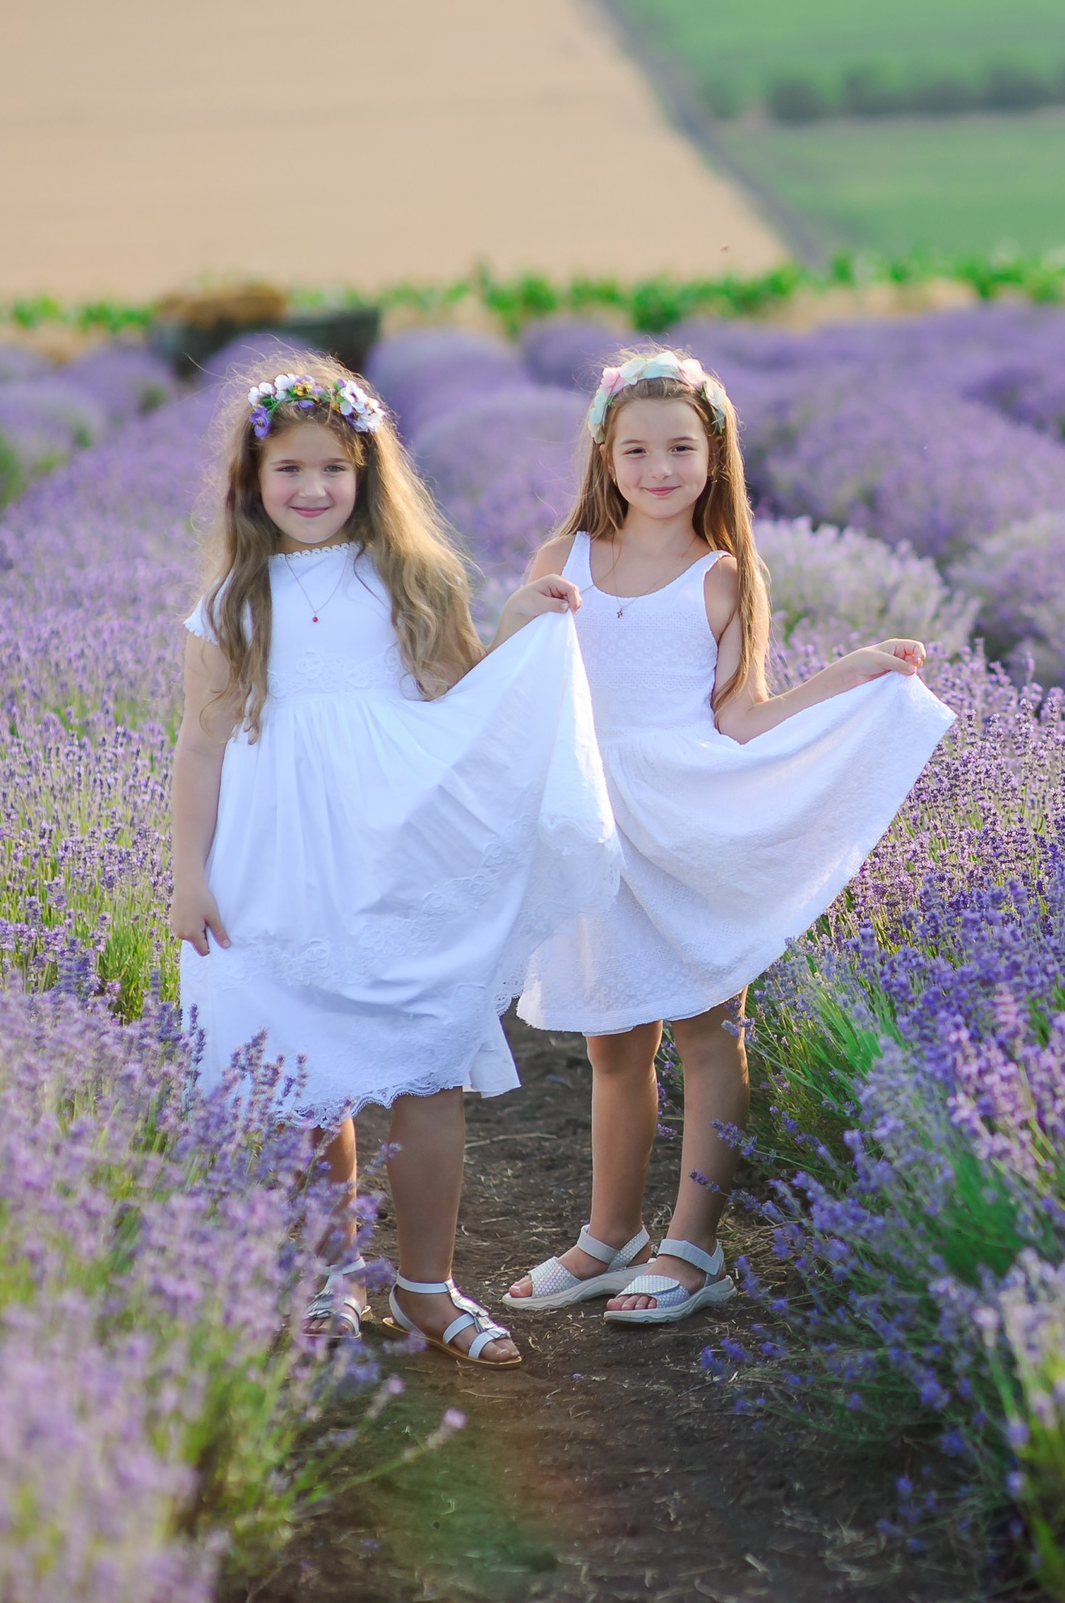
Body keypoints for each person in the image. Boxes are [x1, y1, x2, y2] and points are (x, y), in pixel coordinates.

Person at [169, 355, 621, 1368]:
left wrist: (518, 630)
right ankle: (333, 1277)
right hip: (274, 864)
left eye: (335, 469)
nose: (313, 489)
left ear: (369, 477)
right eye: (289, 470)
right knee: (299, 1078)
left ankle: (426, 1286)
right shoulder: (231, 606)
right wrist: (188, 874)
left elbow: (467, 711)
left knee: (427, 1070)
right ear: (252, 483)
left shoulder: (410, 580)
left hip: (398, 858)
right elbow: (200, 746)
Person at [503, 349, 953, 1324]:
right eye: (637, 449)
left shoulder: (720, 576)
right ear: (603, 455)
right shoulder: (564, 562)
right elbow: (519, 688)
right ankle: (608, 1233)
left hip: (690, 822)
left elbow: (744, 717)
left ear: (714, 457)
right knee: (612, 1044)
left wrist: (857, 671)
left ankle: (692, 1247)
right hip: (592, 824)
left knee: (708, 1035)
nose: (659, 468)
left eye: (681, 448)